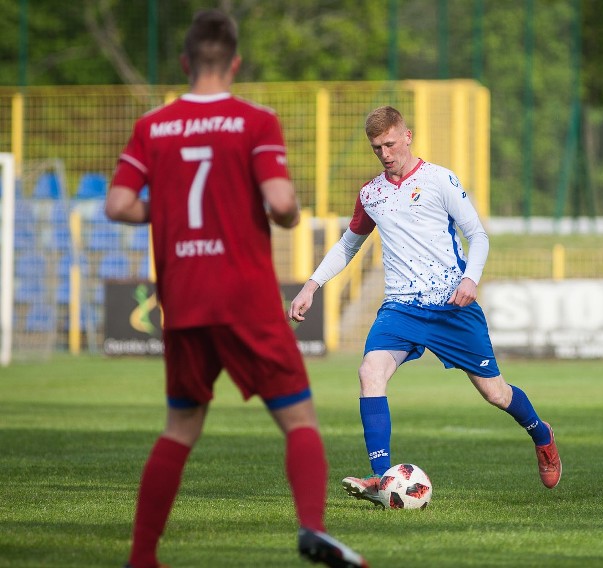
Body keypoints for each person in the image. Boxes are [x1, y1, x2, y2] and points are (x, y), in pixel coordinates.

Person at [105, 9, 367, 568]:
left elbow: (118, 205)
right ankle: (312, 528)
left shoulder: (153, 126)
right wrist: (292, 216)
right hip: (244, 298)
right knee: (298, 420)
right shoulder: (254, 121)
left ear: (185, 62)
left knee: (180, 426)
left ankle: (142, 558)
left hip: (183, 300)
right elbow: (279, 202)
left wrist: (168, 208)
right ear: (235, 63)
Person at [287, 106, 562, 506]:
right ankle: (382, 477)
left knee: (496, 393)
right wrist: (312, 285)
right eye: (376, 147)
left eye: (390, 143)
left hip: (451, 305)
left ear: (408, 135)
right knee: (369, 372)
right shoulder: (371, 194)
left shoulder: (440, 180)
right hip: (401, 308)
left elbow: (477, 234)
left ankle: (542, 435)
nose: (384, 152)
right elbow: (350, 243)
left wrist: (471, 278)